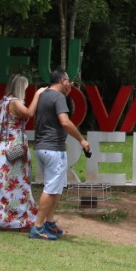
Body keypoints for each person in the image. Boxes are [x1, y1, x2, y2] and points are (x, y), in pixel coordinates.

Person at [0, 74, 42, 229]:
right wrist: (37, 95)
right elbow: (29, 114)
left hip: (3, 147)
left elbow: (1, 126)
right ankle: (13, 215)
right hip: (16, 147)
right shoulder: (15, 103)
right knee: (16, 182)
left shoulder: (2, 102)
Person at [30, 70, 90, 240]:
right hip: (53, 149)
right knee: (50, 189)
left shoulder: (43, 95)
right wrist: (81, 140)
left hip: (41, 147)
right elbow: (65, 122)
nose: (70, 84)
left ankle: (49, 223)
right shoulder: (58, 97)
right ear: (63, 81)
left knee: (55, 188)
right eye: (69, 81)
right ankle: (38, 227)